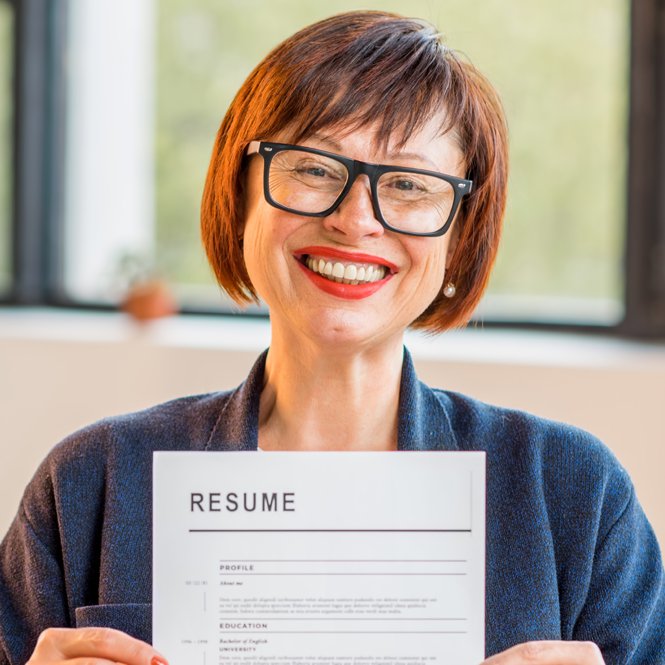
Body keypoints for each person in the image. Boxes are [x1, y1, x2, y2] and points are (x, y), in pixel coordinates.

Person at [1, 10, 663, 665]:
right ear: (242, 195)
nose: (355, 219)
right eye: (314, 168)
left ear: (459, 239)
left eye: (408, 184)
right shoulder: (90, 480)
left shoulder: (573, 492)